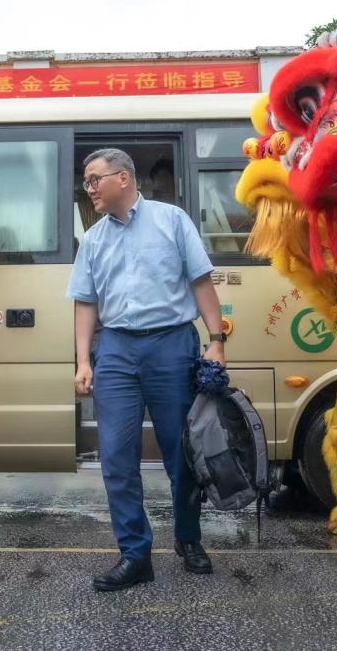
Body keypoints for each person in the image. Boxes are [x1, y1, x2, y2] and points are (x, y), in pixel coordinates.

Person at [67, 147, 227, 591]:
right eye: (87, 181)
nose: (89, 188)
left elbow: (200, 281)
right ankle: (135, 554)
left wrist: (216, 341)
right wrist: (83, 359)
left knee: (182, 451)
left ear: (123, 178)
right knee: (117, 457)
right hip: (116, 349)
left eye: (95, 178)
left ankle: (189, 539)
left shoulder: (171, 221)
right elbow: (86, 301)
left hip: (171, 344)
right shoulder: (94, 239)